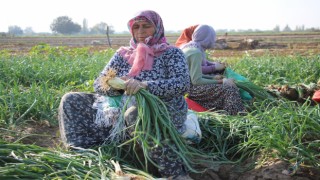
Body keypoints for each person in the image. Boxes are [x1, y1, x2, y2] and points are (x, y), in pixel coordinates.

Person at [58, 10, 193, 179]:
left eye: (146, 26)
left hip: (161, 108)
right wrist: (117, 86)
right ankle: (82, 155)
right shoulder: (123, 54)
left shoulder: (171, 53)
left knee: (136, 112)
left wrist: (145, 86)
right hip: (118, 109)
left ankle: (174, 173)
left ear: (158, 28)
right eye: (136, 27)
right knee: (70, 99)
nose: (141, 31)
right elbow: (99, 82)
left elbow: (182, 84)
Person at [180, 24, 246, 115]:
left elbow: (193, 74)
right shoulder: (196, 53)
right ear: (207, 39)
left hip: (186, 86)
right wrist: (222, 81)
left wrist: (213, 78)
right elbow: (196, 80)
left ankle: (225, 112)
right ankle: (236, 117)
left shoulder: (188, 47)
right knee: (229, 89)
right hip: (190, 90)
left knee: (222, 83)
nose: (213, 41)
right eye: (212, 38)